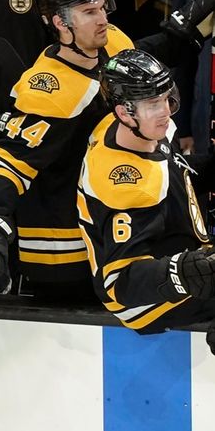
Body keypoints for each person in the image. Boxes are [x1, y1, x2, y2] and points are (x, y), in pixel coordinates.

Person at [0, 0, 215, 302]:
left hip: (122, 231)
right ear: (60, 24)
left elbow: (150, 57)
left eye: (102, 8)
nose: (103, 19)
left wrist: (182, 30)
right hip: (70, 257)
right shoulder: (51, 90)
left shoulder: (109, 46)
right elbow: (10, 162)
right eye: (90, 12)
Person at [78, 49, 215, 351]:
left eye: (166, 98)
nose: (166, 110)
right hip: (148, 303)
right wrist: (185, 272)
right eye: (153, 103)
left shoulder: (138, 129)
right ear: (124, 111)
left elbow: (178, 175)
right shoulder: (125, 182)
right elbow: (121, 282)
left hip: (178, 251)